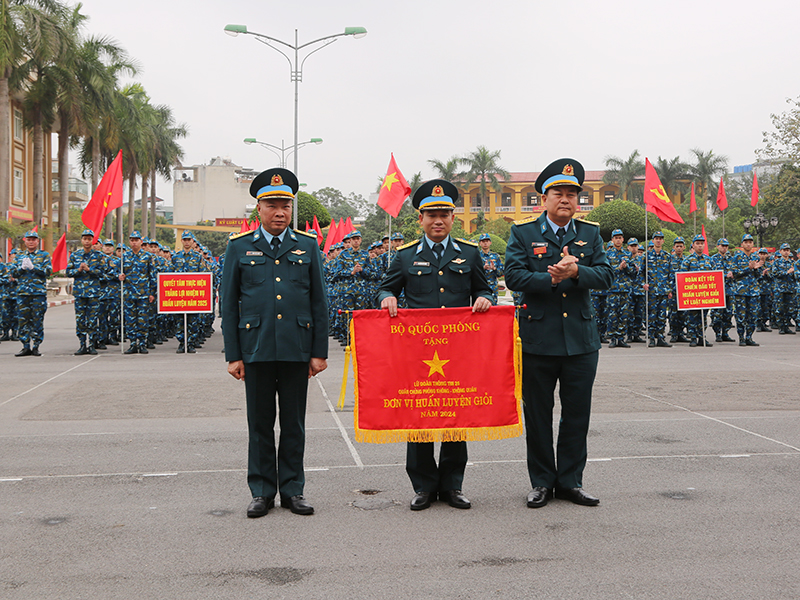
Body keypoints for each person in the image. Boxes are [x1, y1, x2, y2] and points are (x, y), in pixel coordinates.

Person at [378, 179, 493, 511]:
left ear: (453, 218)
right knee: (420, 417)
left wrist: (485, 299)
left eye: (444, 213)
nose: (438, 220)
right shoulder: (404, 256)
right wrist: (387, 299)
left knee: (455, 416)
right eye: (431, 214)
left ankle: (453, 485)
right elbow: (386, 289)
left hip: (458, 351)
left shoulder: (470, 254)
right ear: (420, 219)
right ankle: (424, 486)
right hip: (418, 352)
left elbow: (484, 289)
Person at [504, 158, 613, 509]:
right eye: (558, 193)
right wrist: (550, 278)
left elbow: (606, 276)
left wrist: (577, 270)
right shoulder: (524, 233)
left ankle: (570, 482)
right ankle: (541, 483)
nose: (565, 199)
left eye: (571, 194)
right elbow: (514, 277)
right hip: (538, 339)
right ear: (544, 199)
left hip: (581, 341)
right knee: (538, 415)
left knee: (577, 414)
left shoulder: (590, 233)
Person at [221, 168, 328, 518]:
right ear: (259, 209)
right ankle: (262, 491)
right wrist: (234, 355)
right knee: (260, 424)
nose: (279, 211)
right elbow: (228, 304)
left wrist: (318, 352)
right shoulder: (239, 248)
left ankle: (293, 490)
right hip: (257, 349)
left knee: (294, 424)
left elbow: (318, 302)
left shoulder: (307, 246)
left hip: (297, 349)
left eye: (285, 205)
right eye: (272, 205)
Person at [11, 230, 52, 356]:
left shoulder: (44, 255)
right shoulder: (19, 256)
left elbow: (48, 272)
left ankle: (36, 345)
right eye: (29, 239)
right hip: (23, 293)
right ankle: (25, 346)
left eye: (33, 239)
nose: (31, 242)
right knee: (23, 320)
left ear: (37, 241)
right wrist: (21, 268)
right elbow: (13, 273)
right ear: (25, 241)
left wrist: (34, 267)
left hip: (38, 293)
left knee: (37, 319)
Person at [66, 229, 105, 355]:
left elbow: (102, 273)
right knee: (80, 319)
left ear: (93, 241)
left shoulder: (99, 256)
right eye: (85, 238)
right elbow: (68, 272)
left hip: (93, 293)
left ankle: (92, 344)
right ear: (82, 240)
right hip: (80, 293)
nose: (87, 241)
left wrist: (89, 270)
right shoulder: (75, 255)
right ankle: (82, 344)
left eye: (89, 239)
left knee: (93, 319)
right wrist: (78, 270)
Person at [119, 231, 156, 354]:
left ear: (141, 242)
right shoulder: (125, 256)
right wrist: (119, 276)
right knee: (130, 320)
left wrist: (152, 293)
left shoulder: (147, 257)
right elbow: (118, 272)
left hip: (143, 293)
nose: (134, 242)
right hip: (129, 293)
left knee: (143, 320)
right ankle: (133, 343)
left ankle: (142, 343)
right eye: (132, 240)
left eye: (136, 240)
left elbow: (152, 276)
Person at [681, 234, 715, 347]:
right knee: (692, 317)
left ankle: (702, 337)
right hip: (692, 294)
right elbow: (682, 278)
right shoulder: (687, 260)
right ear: (693, 245)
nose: (700, 246)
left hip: (705, 295)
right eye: (697, 243)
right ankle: (693, 338)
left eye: (702, 243)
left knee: (703, 317)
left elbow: (714, 277)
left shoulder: (709, 260)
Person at [643, 231, 672, 347]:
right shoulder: (647, 255)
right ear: (653, 240)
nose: (658, 240)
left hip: (663, 291)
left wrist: (670, 289)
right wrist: (643, 284)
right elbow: (641, 273)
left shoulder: (667, 256)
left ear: (663, 241)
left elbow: (671, 274)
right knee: (651, 315)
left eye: (660, 238)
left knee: (662, 316)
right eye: (656, 238)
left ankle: (660, 337)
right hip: (652, 292)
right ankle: (651, 338)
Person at [730, 234, 761, 346]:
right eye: (746, 242)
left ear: (753, 244)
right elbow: (735, 273)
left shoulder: (755, 257)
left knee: (753, 316)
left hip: (753, 291)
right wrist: (748, 268)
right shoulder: (737, 257)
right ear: (742, 244)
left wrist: (757, 269)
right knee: (741, 316)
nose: (748, 244)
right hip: (741, 291)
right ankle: (741, 337)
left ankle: (749, 337)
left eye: (750, 242)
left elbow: (759, 276)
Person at [710, 238, 736, 342]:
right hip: (717, 291)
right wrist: (725, 275)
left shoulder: (731, 259)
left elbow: (736, 270)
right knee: (717, 314)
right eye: (722, 245)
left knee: (728, 313)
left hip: (729, 290)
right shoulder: (713, 259)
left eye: (726, 246)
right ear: (717, 246)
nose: (724, 248)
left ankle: (725, 333)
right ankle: (717, 333)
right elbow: (712, 273)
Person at [771, 243, 796, 335]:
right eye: (784, 250)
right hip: (780, 289)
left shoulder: (792, 263)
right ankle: (781, 327)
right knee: (780, 309)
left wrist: (794, 273)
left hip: (790, 289)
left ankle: (787, 326)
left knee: (789, 309)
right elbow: (775, 274)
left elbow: (796, 275)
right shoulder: (776, 262)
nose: (786, 252)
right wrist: (787, 272)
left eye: (788, 250)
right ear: (780, 251)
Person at [478, 232, 505, 304]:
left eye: (487, 241)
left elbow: (501, 272)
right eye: (483, 241)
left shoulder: (496, 256)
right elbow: (474, 272)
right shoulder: (476, 256)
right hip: (481, 287)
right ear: (480, 243)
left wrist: (494, 269)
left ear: (490, 242)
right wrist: (483, 268)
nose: (485, 243)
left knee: (493, 310)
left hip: (493, 287)